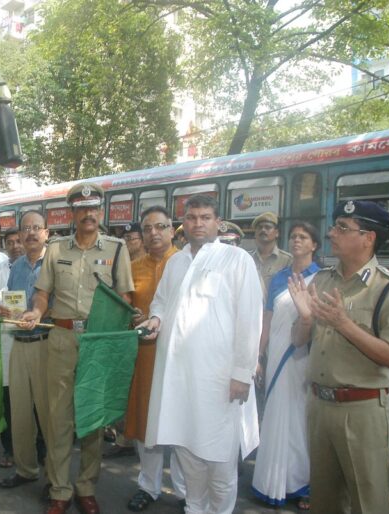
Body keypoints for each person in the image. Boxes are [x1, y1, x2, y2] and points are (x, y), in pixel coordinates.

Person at [138, 194, 262, 514]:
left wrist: (241, 373)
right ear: (184, 222)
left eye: (205, 217)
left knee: (219, 463)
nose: (198, 223)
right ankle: (195, 508)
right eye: (192, 217)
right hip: (178, 378)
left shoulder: (236, 260)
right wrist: (156, 319)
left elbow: (250, 321)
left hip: (219, 380)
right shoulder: (176, 261)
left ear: (217, 222)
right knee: (187, 453)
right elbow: (162, 302)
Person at [288, 200, 389, 514]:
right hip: (320, 406)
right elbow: (299, 341)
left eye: (343, 228)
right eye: (335, 225)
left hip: (363, 410)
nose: (331, 233)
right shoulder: (323, 280)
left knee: (368, 503)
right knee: (324, 504)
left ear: (368, 237)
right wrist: (305, 319)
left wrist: (344, 323)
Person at [20, 182, 134, 514]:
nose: (88, 214)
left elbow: (124, 299)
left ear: (101, 211)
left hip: (97, 342)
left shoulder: (116, 249)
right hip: (61, 337)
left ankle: (86, 487)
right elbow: (43, 293)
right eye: (82, 209)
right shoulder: (55, 249)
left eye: (94, 208)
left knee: (92, 417)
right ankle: (60, 489)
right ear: (72, 213)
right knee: (59, 418)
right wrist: (36, 311)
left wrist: (115, 335)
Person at [251, 222, 321, 510]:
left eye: (303, 237)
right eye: (293, 237)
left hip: (303, 356)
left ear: (314, 245)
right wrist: (259, 355)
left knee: (301, 421)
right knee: (277, 414)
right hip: (278, 352)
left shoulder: (322, 278)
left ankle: (302, 483)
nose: (296, 241)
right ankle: (271, 481)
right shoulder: (279, 277)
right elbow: (267, 321)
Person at [123, 206, 179, 512]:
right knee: (145, 422)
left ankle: (186, 490)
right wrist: (132, 317)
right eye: (148, 228)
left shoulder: (187, 263)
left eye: (160, 226)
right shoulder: (134, 267)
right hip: (145, 355)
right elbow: (125, 307)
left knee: (181, 422)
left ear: (172, 230)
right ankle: (148, 485)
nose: (154, 233)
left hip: (180, 358)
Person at [0, 210, 50, 490]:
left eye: (36, 227)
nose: (31, 233)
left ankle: (55, 479)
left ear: (46, 233)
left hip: (46, 346)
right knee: (19, 413)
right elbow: (12, 303)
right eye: (26, 228)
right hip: (18, 344)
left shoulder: (55, 262)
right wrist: (4, 310)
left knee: (49, 415)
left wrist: (41, 313)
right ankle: (26, 469)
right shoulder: (16, 266)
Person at [249, 212, 292, 297]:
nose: (263, 230)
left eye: (267, 227)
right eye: (259, 228)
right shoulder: (247, 258)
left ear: (277, 233)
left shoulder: (288, 260)